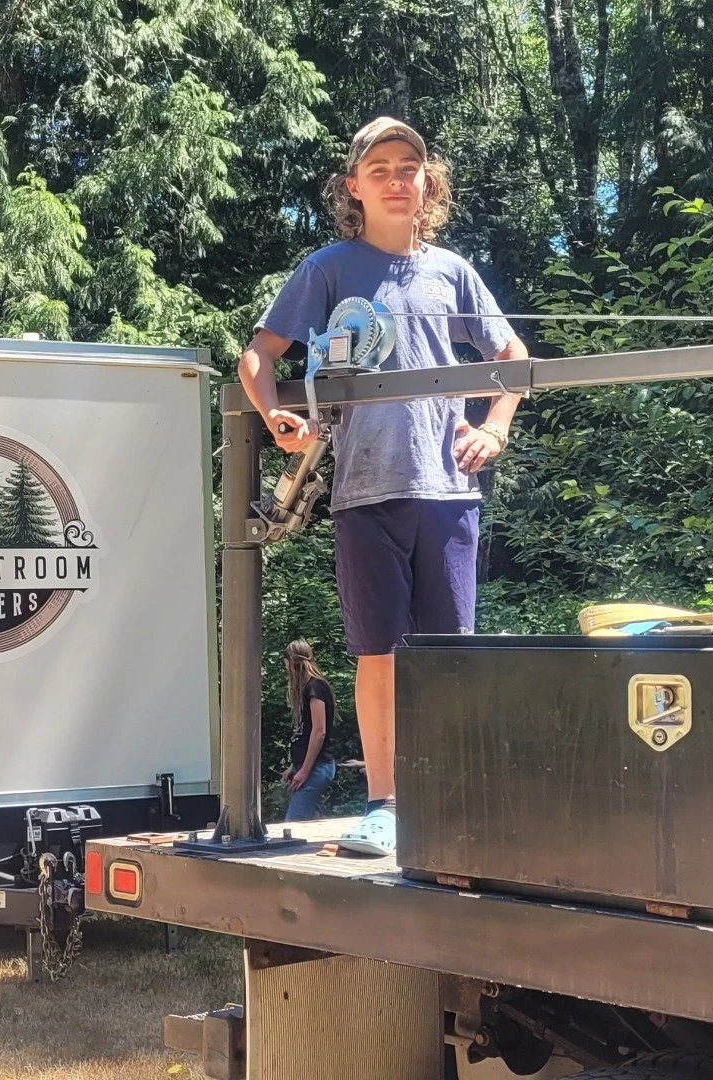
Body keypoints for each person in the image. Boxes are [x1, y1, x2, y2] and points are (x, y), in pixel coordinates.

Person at [239, 117, 528, 856]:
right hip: (365, 494)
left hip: (449, 494)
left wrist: (493, 428)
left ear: (429, 183)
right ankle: (386, 805)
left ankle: (454, 799)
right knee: (379, 655)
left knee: (448, 659)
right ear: (354, 188)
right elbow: (258, 355)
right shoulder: (328, 267)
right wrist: (276, 415)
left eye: (411, 166)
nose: (398, 178)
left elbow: (513, 357)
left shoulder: (453, 271)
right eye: (381, 169)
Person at [281, 639, 337, 822]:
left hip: (317, 766)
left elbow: (319, 731)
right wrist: (294, 766)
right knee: (311, 819)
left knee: (294, 821)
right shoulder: (308, 689)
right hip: (309, 765)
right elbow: (305, 731)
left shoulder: (315, 688)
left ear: (291, 662)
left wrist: (304, 770)